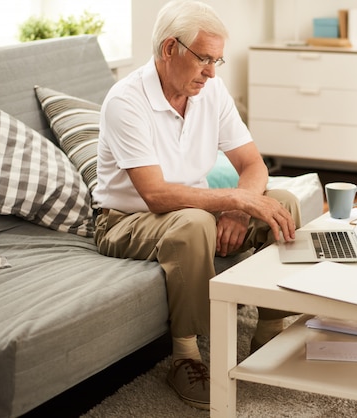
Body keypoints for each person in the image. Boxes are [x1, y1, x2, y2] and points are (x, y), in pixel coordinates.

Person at [91, 0, 300, 410]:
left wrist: (241, 208)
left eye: (216, 60)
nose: (212, 71)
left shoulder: (211, 91)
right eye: (204, 58)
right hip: (127, 219)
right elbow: (156, 195)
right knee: (193, 224)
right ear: (170, 49)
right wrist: (232, 198)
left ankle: (270, 327)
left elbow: (252, 164)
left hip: (196, 209)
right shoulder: (125, 101)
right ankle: (186, 355)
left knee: (284, 202)